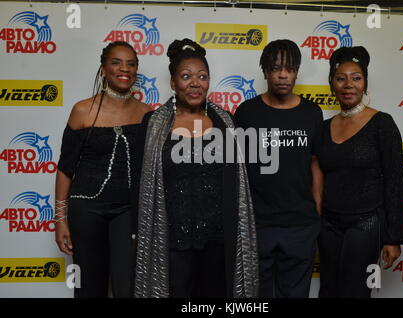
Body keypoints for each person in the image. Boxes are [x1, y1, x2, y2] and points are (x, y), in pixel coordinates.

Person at [133, 38, 258, 298]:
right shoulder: (153, 124)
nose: (194, 83)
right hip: (171, 237)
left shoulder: (225, 122)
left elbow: (238, 183)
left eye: (202, 76)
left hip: (218, 237)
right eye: (186, 76)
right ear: (173, 83)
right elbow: (142, 183)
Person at [317, 46, 403, 298]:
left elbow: (395, 180)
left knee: (354, 291)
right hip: (329, 225)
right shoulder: (323, 127)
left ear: (364, 84)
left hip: (366, 223)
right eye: (341, 78)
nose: (349, 84)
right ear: (332, 84)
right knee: (328, 290)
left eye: (356, 78)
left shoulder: (382, 123)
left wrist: (393, 238)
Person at [54, 41, 150, 298]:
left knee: (127, 286)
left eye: (131, 64)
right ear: (103, 69)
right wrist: (60, 220)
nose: (124, 69)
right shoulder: (82, 110)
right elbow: (65, 169)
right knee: (88, 287)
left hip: (127, 211)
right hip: (86, 210)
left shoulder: (147, 114)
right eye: (116, 62)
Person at [234, 39, 324, 298]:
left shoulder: (311, 112)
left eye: (290, 68)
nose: (283, 75)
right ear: (264, 71)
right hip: (257, 224)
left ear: (297, 71)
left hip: (300, 225)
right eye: (275, 68)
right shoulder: (247, 112)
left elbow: (315, 161)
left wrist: (316, 208)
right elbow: (237, 167)